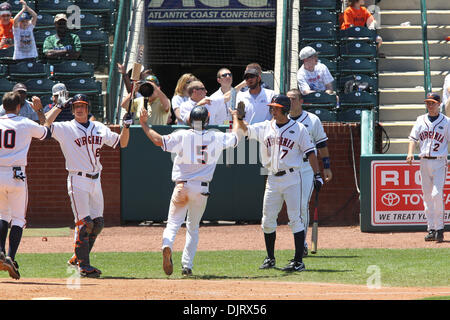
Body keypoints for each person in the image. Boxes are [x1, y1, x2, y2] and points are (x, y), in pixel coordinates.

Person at [139, 105, 241, 277]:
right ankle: (187, 266)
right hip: (201, 189)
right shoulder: (216, 136)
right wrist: (236, 117)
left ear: (190, 120)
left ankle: (167, 245)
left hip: (182, 186)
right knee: (192, 228)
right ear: (207, 120)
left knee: (173, 224)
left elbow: (158, 140)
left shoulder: (182, 135)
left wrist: (144, 124)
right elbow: (236, 137)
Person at [233, 94, 323, 272]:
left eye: (275, 107)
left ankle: (298, 261)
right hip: (272, 179)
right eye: (271, 107)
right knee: (267, 220)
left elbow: (311, 153)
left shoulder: (299, 129)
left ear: (284, 109)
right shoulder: (266, 126)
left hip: (292, 178)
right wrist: (240, 118)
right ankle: (270, 258)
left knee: (295, 219)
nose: (272, 110)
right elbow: (245, 130)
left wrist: (317, 174)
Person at [44, 94, 131, 277]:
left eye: (82, 105)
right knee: (85, 224)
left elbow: (122, 142)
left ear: (88, 107)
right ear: (72, 108)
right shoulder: (66, 128)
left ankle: (77, 257)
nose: (79, 109)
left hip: (95, 179)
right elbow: (45, 124)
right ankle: (84, 266)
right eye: (76, 106)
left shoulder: (98, 127)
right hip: (77, 179)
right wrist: (59, 106)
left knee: (98, 223)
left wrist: (126, 126)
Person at [0, 91, 50, 280]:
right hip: (16, 173)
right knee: (18, 219)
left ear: (4, 106)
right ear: (19, 106)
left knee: (2, 215)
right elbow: (46, 133)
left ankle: (0, 252)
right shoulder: (25, 123)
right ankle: (11, 257)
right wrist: (39, 112)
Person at [287, 88, 333, 256]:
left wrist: (326, 167)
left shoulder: (312, 119)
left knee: (302, 205)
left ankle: (302, 243)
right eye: (288, 99)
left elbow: (321, 145)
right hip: (287, 169)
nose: (290, 102)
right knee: (292, 208)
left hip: (306, 167)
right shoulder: (279, 119)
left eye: (293, 99)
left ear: (301, 101)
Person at [407, 93, 447, 243]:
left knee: (437, 194)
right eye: (428, 103)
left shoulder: (447, 122)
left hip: (439, 161)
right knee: (427, 196)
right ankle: (431, 228)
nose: (430, 105)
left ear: (439, 104)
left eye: (433, 103)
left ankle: (440, 228)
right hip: (423, 161)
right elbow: (412, 139)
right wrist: (410, 153)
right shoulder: (420, 120)